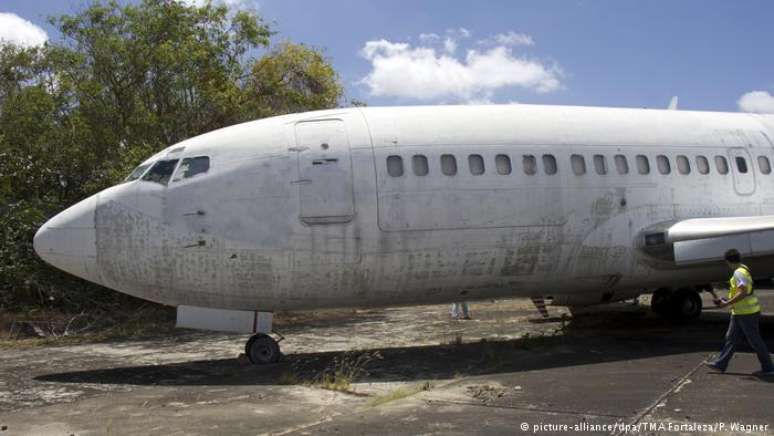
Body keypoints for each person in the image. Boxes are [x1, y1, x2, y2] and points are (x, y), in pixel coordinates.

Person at [704, 249, 774, 376]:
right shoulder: (744, 269)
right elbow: (742, 292)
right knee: (731, 338)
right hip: (739, 312)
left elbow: (743, 292)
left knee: (755, 341)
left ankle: (769, 367)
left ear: (728, 261)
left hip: (746, 312)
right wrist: (727, 300)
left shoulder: (738, 273)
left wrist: (726, 303)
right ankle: (720, 364)